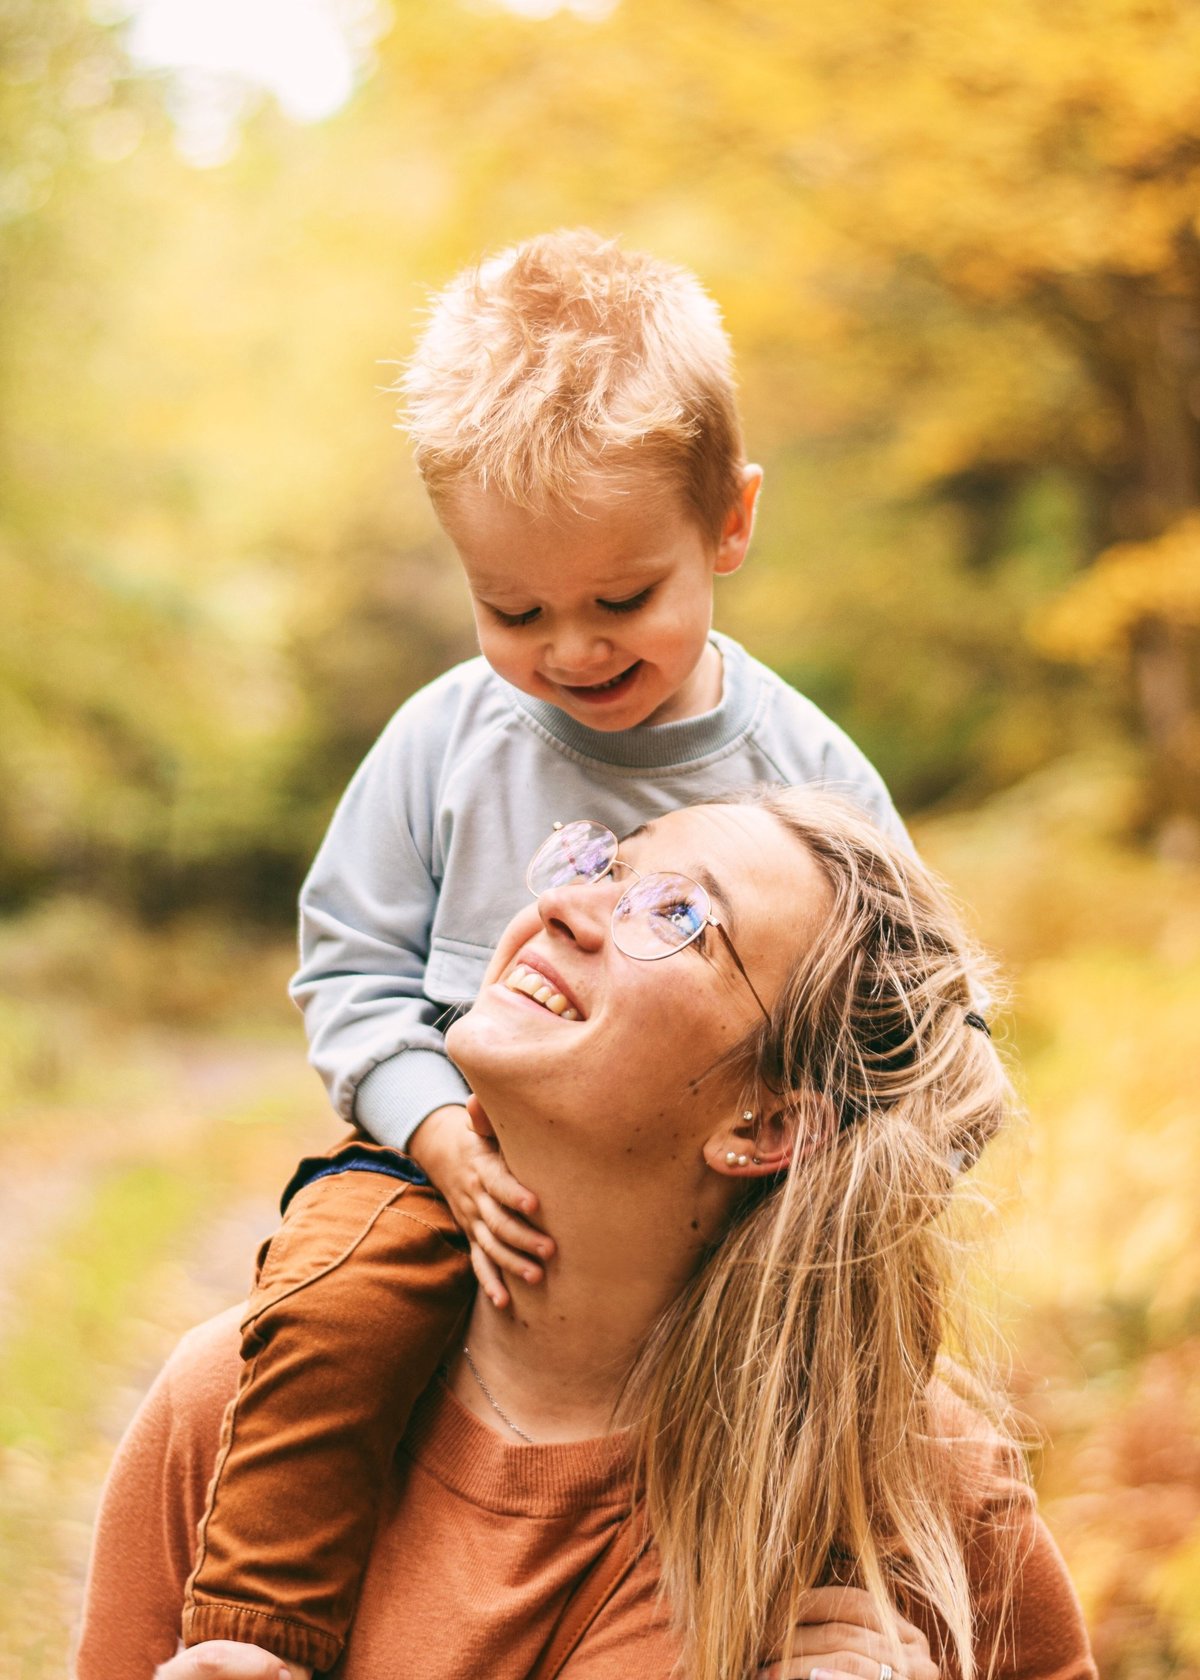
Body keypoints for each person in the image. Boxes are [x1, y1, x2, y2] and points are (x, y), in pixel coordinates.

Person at [174, 230, 910, 1672]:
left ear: (731, 525)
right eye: (512, 610)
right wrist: (437, 1133)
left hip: (720, 1203)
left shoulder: (806, 770)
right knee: (336, 1298)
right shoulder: (446, 742)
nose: (568, 650)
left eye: (620, 601)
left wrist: (848, 1173)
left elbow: (907, 1011)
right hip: (441, 1158)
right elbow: (351, 973)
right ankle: (260, 1631)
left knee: (833, 1346)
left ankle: (829, 1606)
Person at [76, 790, 1096, 1680]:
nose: (565, 904)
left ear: (768, 1122)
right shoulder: (235, 1405)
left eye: (679, 916)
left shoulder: (913, 1481)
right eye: (610, 864)